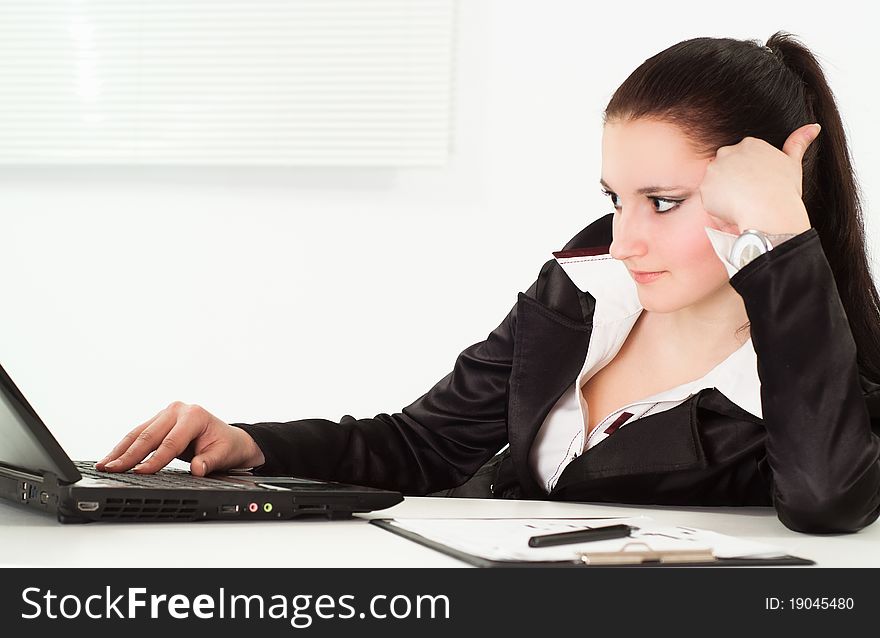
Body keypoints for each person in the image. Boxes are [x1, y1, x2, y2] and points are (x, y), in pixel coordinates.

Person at [96, 31, 880, 534]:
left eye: (663, 202)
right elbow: (423, 443)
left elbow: (823, 498)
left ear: (773, 190)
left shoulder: (818, 371)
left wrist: (783, 239)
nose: (624, 238)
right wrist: (252, 445)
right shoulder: (585, 289)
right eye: (616, 198)